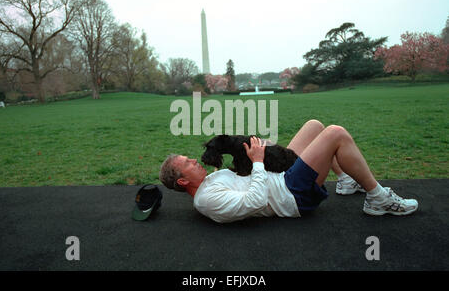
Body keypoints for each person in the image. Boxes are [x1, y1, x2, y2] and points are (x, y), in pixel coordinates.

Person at [159, 120, 418, 223]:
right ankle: (378, 198)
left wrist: (263, 148)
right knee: (335, 134)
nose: (195, 160)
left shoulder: (212, 178)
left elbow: (247, 174)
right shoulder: (207, 201)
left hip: (282, 176)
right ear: (182, 181)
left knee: (314, 126)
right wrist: (259, 162)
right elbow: (255, 201)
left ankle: (346, 181)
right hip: (292, 195)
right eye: (188, 163)